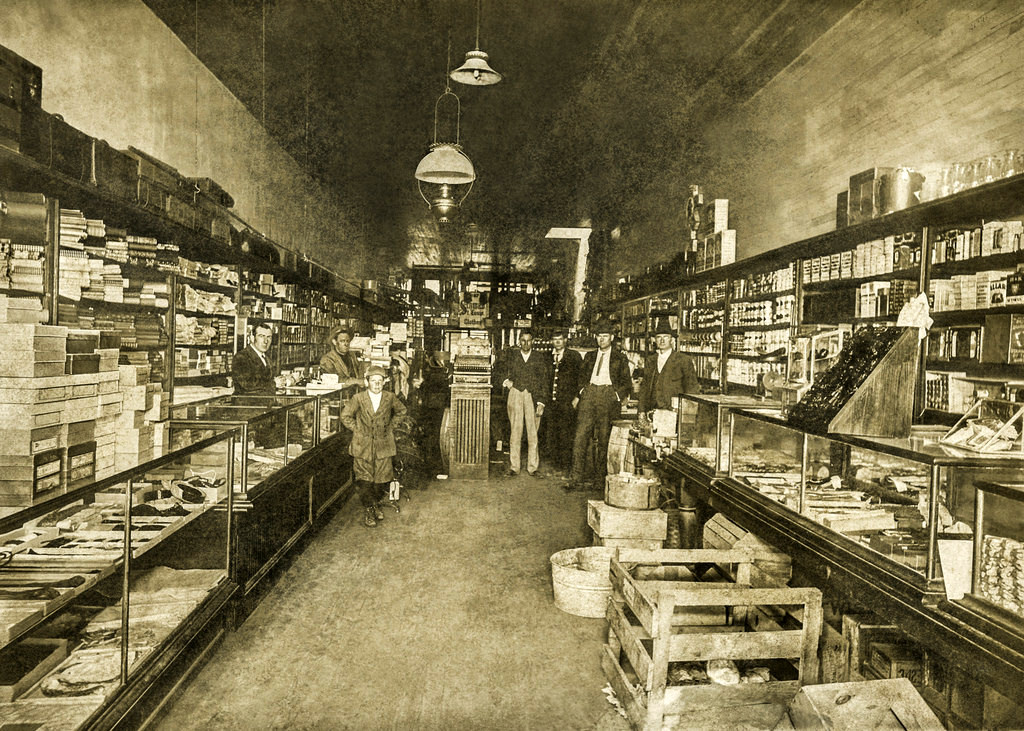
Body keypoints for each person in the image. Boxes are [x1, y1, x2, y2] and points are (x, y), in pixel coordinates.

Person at [567, 318, 631, 491]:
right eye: (599, 336)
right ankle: (576, 478)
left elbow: (627, 382)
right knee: (580, 437)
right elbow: (580, 378)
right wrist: (581, 393)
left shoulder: (620, 358)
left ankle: (599, 481)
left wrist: (615, 395)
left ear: (611, 337)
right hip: (590, 394)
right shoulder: (589, 356)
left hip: (607, 396)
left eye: (605, 336)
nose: (601, 339)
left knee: (604, 439)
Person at [341, 365, 408, 528]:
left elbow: (402, 411)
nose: (377, 384)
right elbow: (345, 416)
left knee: (381, 480)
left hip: (384, 444)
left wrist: (391, 427)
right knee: (364, 480)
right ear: (367, 382)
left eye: (380, 381)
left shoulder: (390, 397)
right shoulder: (358, 398)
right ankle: (370, 509)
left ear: (384, 382)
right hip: (362, 446)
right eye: (373, 381)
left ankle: (375, 502)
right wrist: (358, 430)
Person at [498, 331, 550, 476]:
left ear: (532, 341)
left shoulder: (539, 358)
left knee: (533, 433)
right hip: (516, 394)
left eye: (528, 340)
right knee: (515, 431)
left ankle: (533, 467)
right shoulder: (512, 356)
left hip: (533, 396)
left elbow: (544, 381)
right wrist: (507, 382)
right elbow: (500, 370)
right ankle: (514, 467)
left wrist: (541, 402)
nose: (526, 343)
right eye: (523, 340)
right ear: (519, 342)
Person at [638, 318, 700, 416]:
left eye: (666, 337)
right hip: (652, 411)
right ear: (654, 340)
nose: (662, 340)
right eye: (659, 337)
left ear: (671, 339)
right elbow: (644, 387)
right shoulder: (651, 360)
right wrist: (641, 410)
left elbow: (692, 388)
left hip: (673, 412)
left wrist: (685, 412)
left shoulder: (683, 360)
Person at [542, 330, 583, 474]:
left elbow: (581, 379)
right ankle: (555, 465)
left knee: (567, 434)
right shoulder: (547, 357)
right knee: (552, 433)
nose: (557, 342)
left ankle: (566, 466)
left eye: (560, 339)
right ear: (551, 341)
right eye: (555, 339)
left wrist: (577, 397)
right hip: (551, 402)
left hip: (567, 402)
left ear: (565, 340)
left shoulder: (574, 356)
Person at [232, 322, 276, 395]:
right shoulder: (241, 357)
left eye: (269, 337)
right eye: (261, 336)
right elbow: (247, 384)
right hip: (248, 404)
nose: (266, 341)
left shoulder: (266, 358)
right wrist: (274, 383)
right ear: (252, 338)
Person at [320, 326, 365, 397]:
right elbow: (333, 380)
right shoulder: (327, 359)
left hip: (355, 396)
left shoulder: (352, 356)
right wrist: (356, 381)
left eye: (348, 341)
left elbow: (360, 371)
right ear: (334, 342)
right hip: (338, 397)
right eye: (342, 341)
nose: (346, 344)